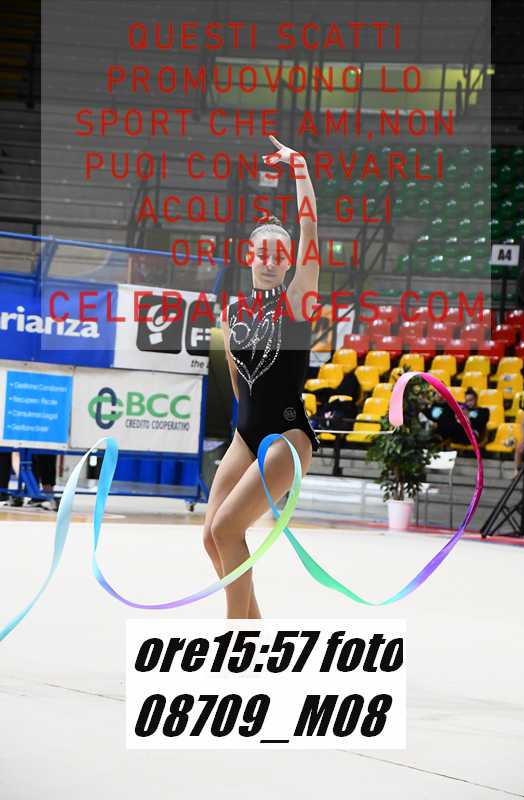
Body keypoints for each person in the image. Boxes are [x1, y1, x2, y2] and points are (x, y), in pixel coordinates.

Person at [203, 133, 320, 619]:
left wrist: (300, 168)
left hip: (287, 438)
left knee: (228, 530)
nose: (271, 261)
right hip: (247, 434)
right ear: (249, 256)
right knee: (211, 537)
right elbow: (239, 384)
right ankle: (255, 631)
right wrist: (243, 435)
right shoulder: (232, 313)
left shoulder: (297, 301)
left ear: (291, 262)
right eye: (263, 253)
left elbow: (309, 228)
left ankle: (236, 643)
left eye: (280, 255)